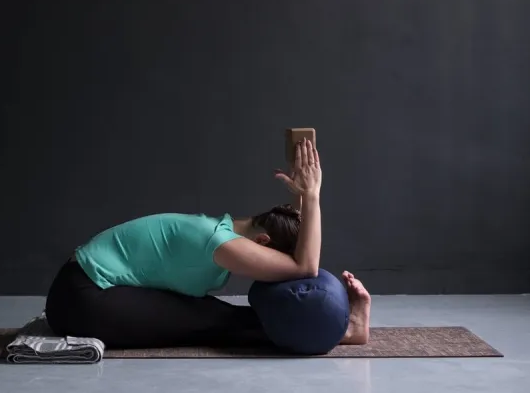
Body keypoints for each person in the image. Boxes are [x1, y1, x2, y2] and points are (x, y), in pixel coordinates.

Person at [45, 139, 371, 349]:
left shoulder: (219, 230)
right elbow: (305, 266)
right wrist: (312, 195)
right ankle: (343, 333)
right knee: (216, 321)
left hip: (88, 289)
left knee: (211, 315)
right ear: (262, 241)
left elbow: (299, 249)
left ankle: (343, 331)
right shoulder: (217, 241)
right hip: (82, 299)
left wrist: (301, 197)